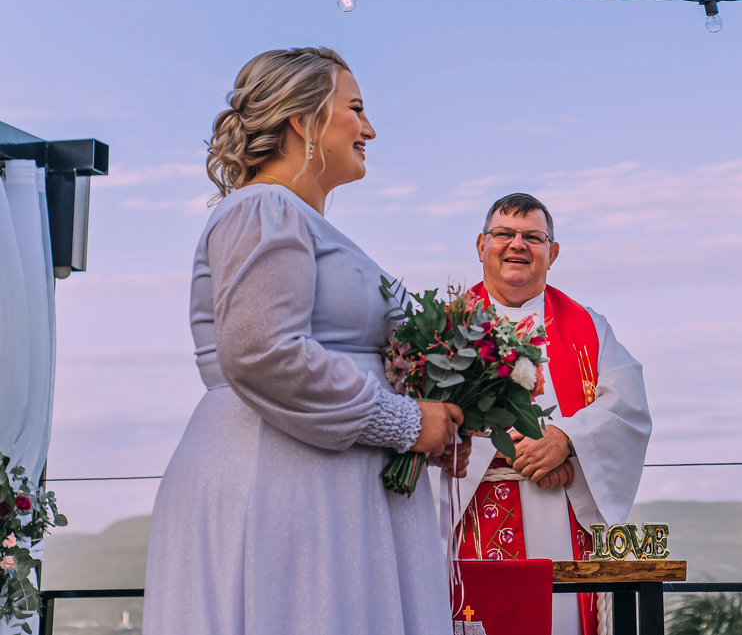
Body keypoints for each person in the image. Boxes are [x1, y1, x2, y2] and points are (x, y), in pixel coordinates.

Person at [143, 47, 467, 635]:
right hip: (278, 480)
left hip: (322, 488)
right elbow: (264, 353)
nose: (369, 128)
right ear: (305, 120)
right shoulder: (263, 209)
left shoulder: (300, 220)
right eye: (356, 108)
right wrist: (405, 423)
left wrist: (434, 411)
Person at [437, 193, 652, 635]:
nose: (518, 244)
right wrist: (513, 457)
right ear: (481, 245)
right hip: (469, 517)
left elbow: (628, 406)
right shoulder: (445, 330)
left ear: (551, 253)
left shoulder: (588, 327)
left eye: (533, 237)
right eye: (504, 234)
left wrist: (567, 443)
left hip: (562, 514)